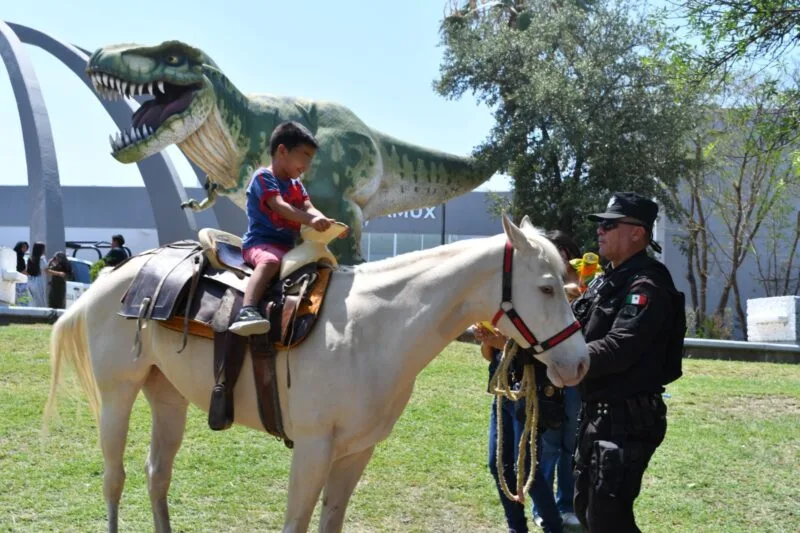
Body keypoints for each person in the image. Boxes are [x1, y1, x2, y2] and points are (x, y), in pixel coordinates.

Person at [570, 192, 686, 532]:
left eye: (609, 224)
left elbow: (623, 346)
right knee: (587, 509)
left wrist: (567, 359)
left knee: (608, 518)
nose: (599, 232)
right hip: (597, 415)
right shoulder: (605, 281)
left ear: (638, 233)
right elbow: (573, 330)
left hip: (627, 421)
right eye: (600, 225)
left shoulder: (647, 283)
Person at [476, 229, 583, 533]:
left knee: (526, 468)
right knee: (498, 465)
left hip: (534, 391)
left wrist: (503, 343)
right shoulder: (521, 294)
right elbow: (491, 355)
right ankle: (516, 528)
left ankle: (551, 525)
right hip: (505, 390)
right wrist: (489, 340)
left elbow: (547, 348)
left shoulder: (559, 301)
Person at [228, 121, 344, 337]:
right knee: (270, 262)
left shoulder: (296, 185)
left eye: (311, 157)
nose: (308, 163)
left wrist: (328, 223)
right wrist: (311, 220)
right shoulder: (264, 177)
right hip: (260, 243)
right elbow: (280, 206)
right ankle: (248, 310)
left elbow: (309, 207)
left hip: (287, 247)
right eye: (305, 155)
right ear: (282, 150)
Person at [533, 231, 583, 530]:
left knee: (571, 443)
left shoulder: (590, 282)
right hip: (547, 374)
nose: (562, 256)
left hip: (576, 375)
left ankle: (567, 504)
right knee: (549, 442)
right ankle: (545, 506)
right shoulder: (542, 283)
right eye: (556, 250)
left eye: (565, 250)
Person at [26, 242, 49, 307]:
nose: (45, 250)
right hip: (38, 281)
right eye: (44, 249)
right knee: (40, 300)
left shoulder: (30, 259)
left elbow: (28, 271)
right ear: (40, 249)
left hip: (30, 280)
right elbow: (46, 269)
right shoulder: (42, 259)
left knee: (32, 299)